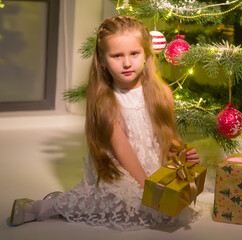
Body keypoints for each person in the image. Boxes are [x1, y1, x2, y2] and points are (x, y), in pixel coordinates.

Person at [10, 15, 200, 230]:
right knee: (124, 203)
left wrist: (182, 154)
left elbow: (167, 136)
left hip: (153, 164)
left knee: (169, 211)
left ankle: (73, 200)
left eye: (134, 53)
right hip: (120, 168)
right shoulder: (106, 101)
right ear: (102, 60)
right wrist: (148, 187)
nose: (127, 63)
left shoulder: (161, 93)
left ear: (146, 54)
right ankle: (44, 207)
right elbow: (123, 150)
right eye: (117, 55)